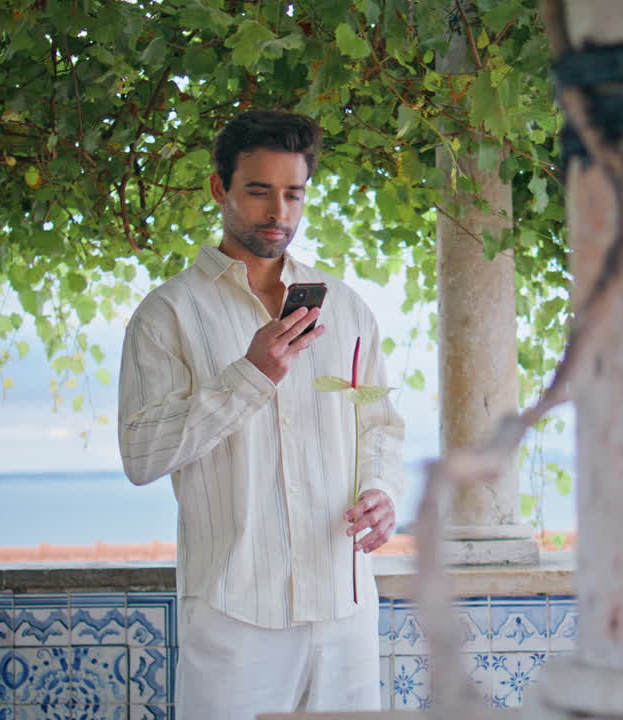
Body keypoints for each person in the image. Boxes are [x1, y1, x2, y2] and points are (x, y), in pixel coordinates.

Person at [117, 109, 404, 719]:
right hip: (233, 611)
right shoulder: (166, 315)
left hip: (344, 607)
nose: (279, 213)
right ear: (220, 188)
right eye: (259, 191)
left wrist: (381, 490)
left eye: (293, 193)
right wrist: (250, 376)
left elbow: (378, 424)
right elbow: (141, 456)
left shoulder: (347, 309)